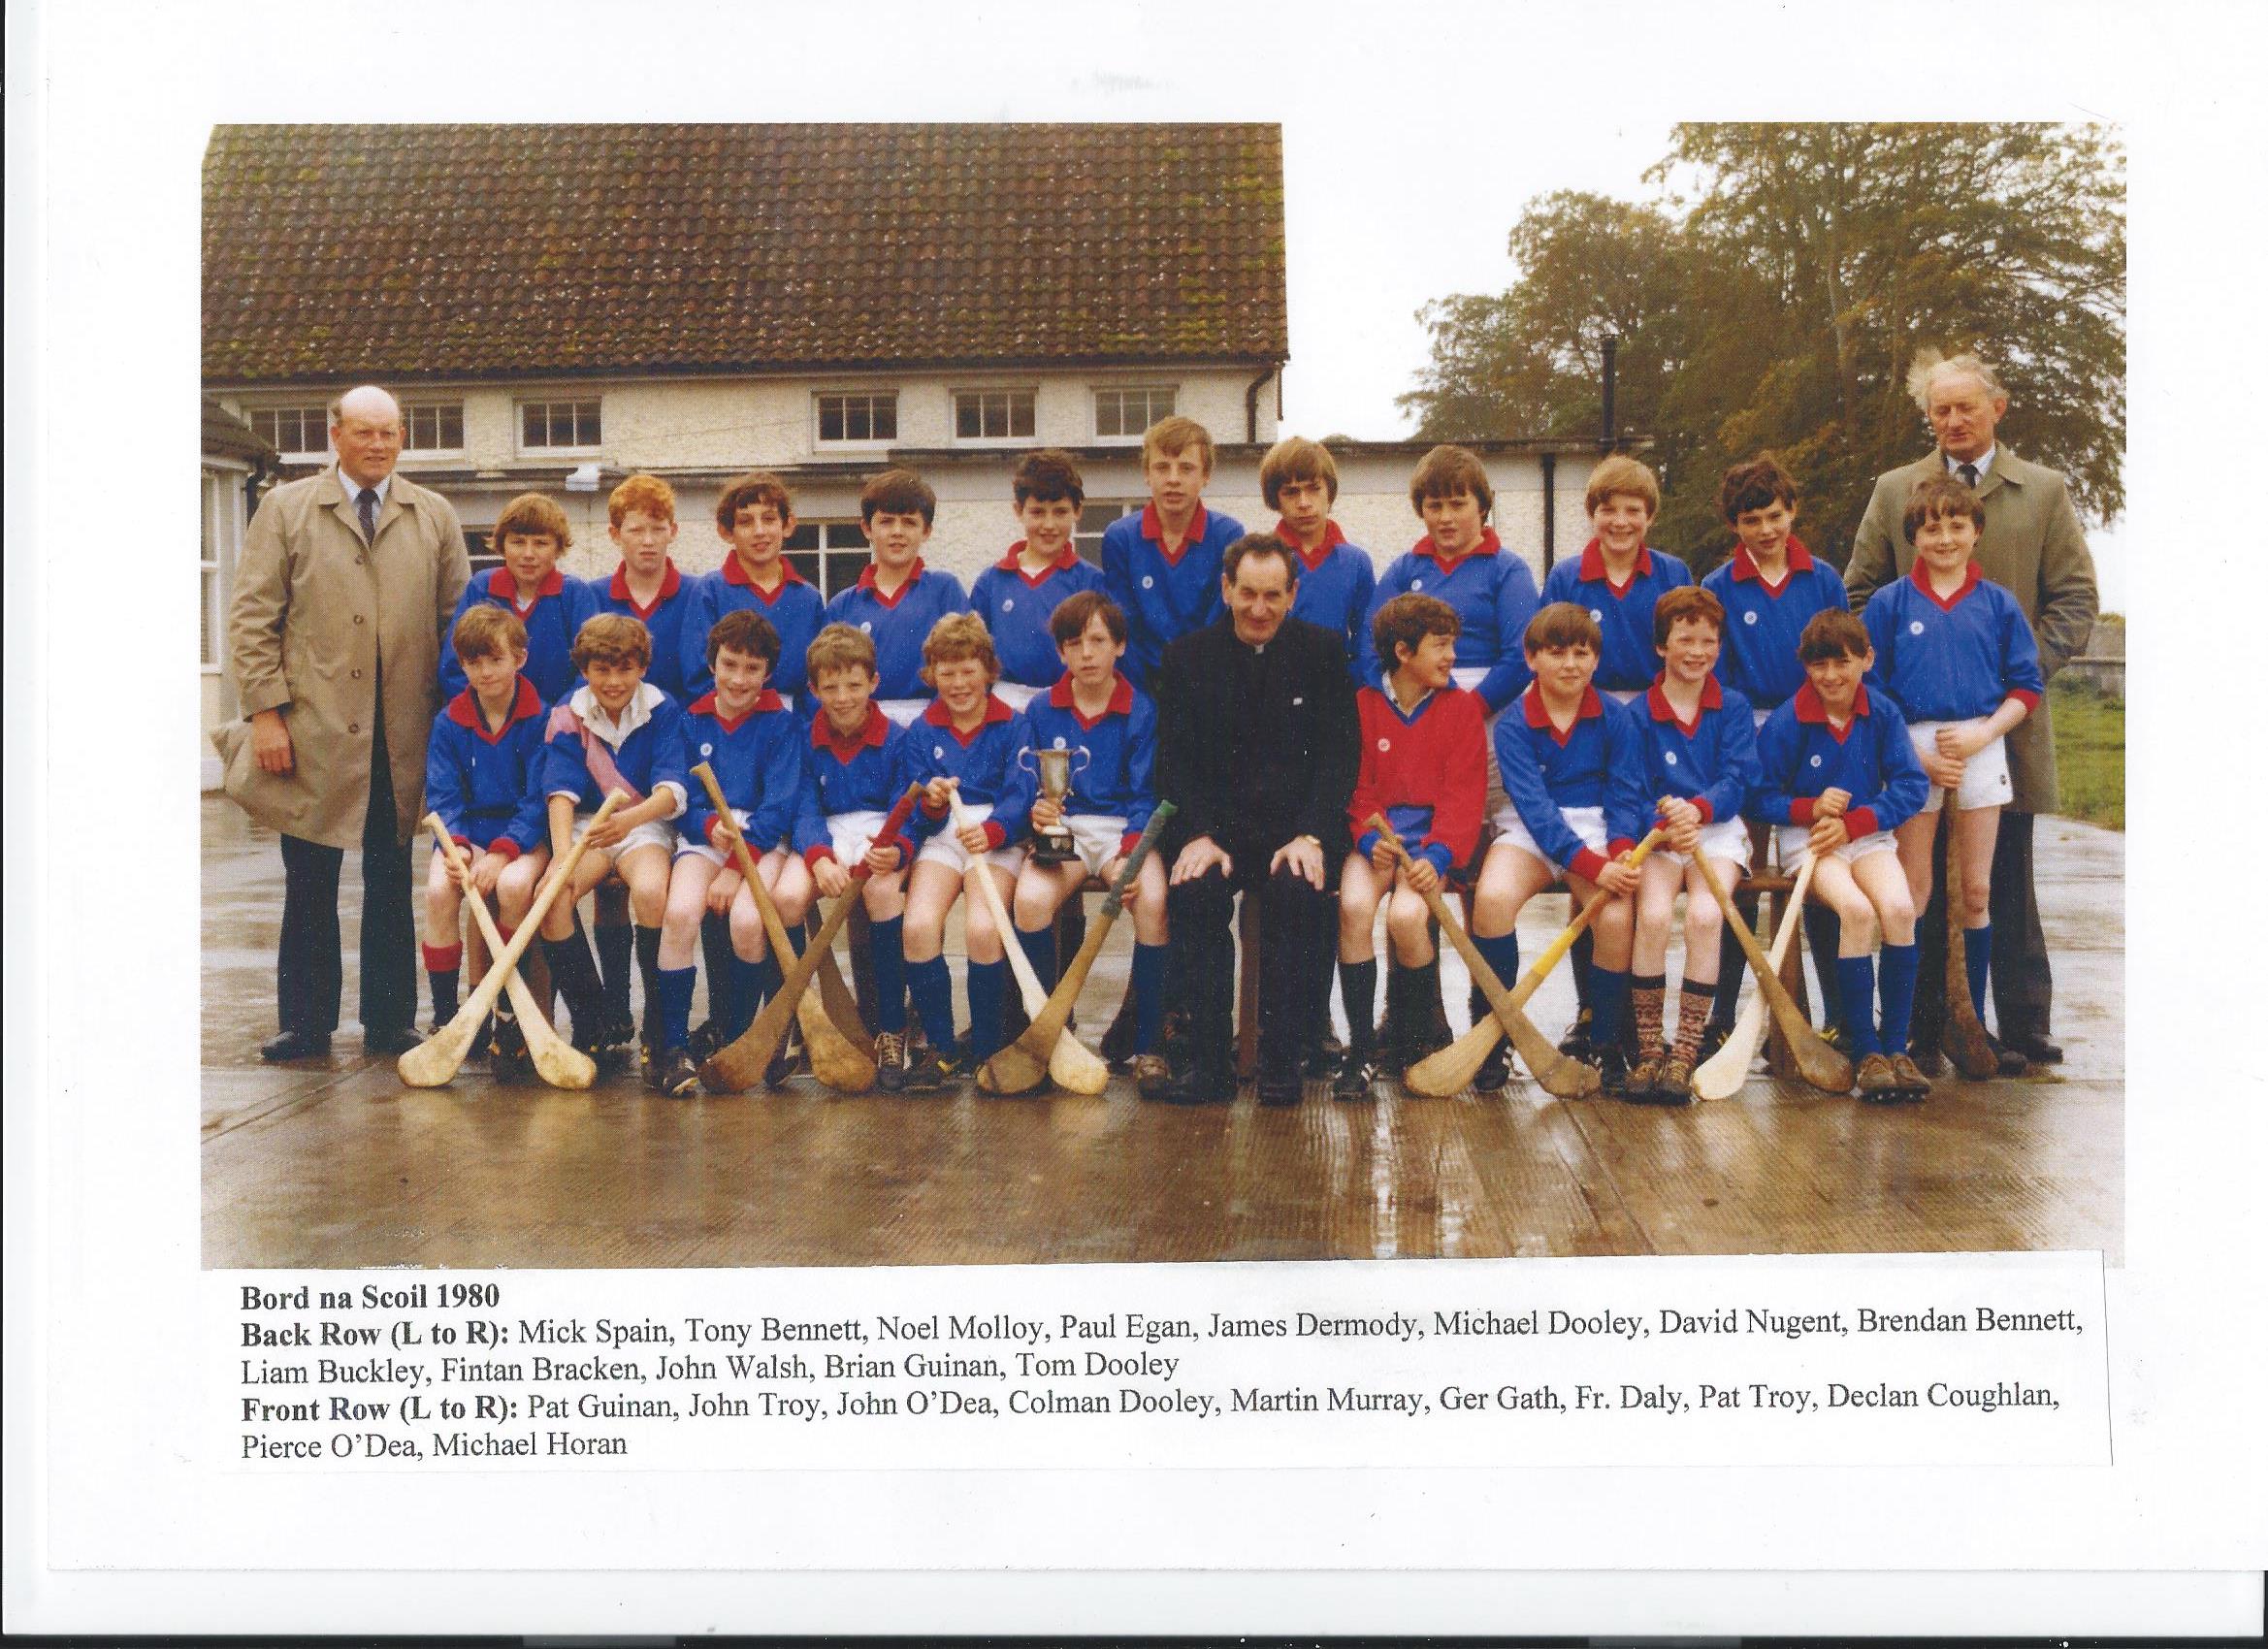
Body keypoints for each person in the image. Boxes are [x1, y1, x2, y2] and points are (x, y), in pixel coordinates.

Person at [1846, 349, 2099, 1066]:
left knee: (2000, 877)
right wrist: (1891, 685)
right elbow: (1859, 592)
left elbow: (2075, 600)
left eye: (1966, 407)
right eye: (1940, 409)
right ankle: (1926, 1025)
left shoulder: (2042, 490)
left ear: (1998, 408)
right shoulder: (1897, 490)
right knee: (1915, 876)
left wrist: (2011, 677)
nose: (1953, 420)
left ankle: (2018, 1022)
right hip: (1913, 724)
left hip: (2003, 724)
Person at [217, 384, 470, 1060]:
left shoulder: (434, 515)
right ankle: (305, 1023)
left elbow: (459, 627)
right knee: (309, 881)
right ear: (336, 436)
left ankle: (390, 1022)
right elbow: (251, 619)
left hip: (402, 732)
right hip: (312, 730)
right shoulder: (285, 509)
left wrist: (457, 728)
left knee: (390, 881)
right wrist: (265, 715)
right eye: (364, 432)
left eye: (389, 432)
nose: (378, 444)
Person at [1153, 534, 1360, 1106]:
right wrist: (1196, 834)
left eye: (1273, 595)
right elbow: (1173, 762)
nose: (1260, 609)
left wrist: (1313, 834)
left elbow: (1340, 757)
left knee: (1300, 892)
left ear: (1293, 594)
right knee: (1193, 890)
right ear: (1226, 589)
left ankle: (1281, 1060)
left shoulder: (1321, 653)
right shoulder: (1187, 657)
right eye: (1248, 594)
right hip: (1215, 829)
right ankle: (1208, 1064)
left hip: (1294, 829)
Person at [1862, 475, 2044, 1075]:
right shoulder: (1889, 603)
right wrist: (1914, 757)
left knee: (1976, 892)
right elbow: (1872, 691)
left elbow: (2026, 687)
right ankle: (1908, 1031)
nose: (1944, 538)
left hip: (1979, 740)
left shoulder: (1997, 603)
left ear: (1976, 532)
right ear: (1913, 537)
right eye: (1931, 528)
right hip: (1912, 746)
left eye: (1956, 526)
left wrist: (1982, 734)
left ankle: (1971, 1025)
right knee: (1913, 894)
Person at [1539, 453, 1693, 1059]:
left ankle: (1646, 1013)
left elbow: (1688, 650)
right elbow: (1554, 650)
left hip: (1656, 712)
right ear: (1593, 514)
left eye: (1633, 510)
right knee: (1598, 863)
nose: (1620, 521)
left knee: (1643, 852)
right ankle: (1594, 1010)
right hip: (1589, 709)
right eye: (1608, 509)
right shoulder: (1569, 575)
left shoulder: (1673, 571)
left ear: (1649, 517)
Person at [1699, 455, 1853, 1051]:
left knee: (1809, 866)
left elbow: (1838, 658)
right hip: (1742, 726)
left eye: (1775, 515)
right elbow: (1718, 670)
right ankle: (1722, 1018)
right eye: (1752, 520)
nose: (1766, 529)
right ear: (1734, 525)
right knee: (1742, 870)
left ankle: (1832, 1011)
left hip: (1811, 724)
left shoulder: (1822, 578)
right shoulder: (1718, 585)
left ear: (1793, 511)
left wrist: (1807, 719)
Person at [1752, 610, 1932, 1102]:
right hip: (1807, 843)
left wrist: (1856, 821)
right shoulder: (1790, 719)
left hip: (1865, 836)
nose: (1831, 676)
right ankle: (1866, 1050)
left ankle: (1897, 1048)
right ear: (1804, 666)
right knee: (1856, 912)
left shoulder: (1883, 713)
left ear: (1867, 660)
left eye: (1843, 663)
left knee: (1898, 910)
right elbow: (1759, 794)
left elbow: (1912, 785)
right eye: (1819, 665)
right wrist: (1808, 808)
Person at [1470, 603, 1650, 1094]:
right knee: (1491, 900)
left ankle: (1606, 1043)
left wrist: (1618, 853)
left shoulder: (1615, 716)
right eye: (1556, 653)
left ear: (1595, 660)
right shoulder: (1513, 724)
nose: (1570, 664)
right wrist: (1592, 864)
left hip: (1597, 827)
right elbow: (1534, 807)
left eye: (1581, 652)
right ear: (1531, 659)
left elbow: (1625, 794)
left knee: (1614, 916)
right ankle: (1493, 1035)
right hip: (1532, 828)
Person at [1006, 592, 1170, 1088]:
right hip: (1067, 829)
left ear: (1119, 646)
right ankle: (1049, 1031)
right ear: (1061, 653)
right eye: (1075, 644)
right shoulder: (1040, 708)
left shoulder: (1140, 709)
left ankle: (1149, 1046)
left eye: (1099, 641)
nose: (1088, 654)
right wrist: (1038, 815)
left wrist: (1131, 857)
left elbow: (1146, 794)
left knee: (1154, 902)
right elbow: (1025, 786)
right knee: (1030, 900)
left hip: (1123, 830)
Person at [652, 611, 812, 1098]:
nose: (739, 679)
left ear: (767, 674)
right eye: (730, 665)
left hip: (761, 842)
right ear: (713, 664)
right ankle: (674, 1048)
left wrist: (736, 868)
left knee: (746, 921)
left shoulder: (782, 726)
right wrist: (706, 826)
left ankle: (741, 1041)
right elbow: (681, 797)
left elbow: (780, 807)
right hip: (708, 838)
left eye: (752, 669)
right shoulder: (689, 720)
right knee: (679, 912)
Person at [1334, 594, 1485, 1100]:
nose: (1451, 657)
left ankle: (1417, 1036)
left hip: (1431, 844)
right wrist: (1367, 837)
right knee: (1355, 906)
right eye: (1440, 646)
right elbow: (1357, 790)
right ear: (1403, 651)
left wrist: (1437, 857)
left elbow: (1463, 797)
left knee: (1405, 918)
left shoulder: (1462, 709)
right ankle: (1358, 1054)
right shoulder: (1363, 706)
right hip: (1378, 838)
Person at [535, 614, 691, 1079]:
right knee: (553, 898)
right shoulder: (569, 711)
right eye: (601, 670)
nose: (614, 681)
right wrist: (563, 855)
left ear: (641, 667)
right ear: (585, 670)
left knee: (650, 893)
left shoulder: (663, 709)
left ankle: (657, 1030)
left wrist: (630, 820)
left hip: (644, 824)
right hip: (589, 827)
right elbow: (560, 790)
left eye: (624, 669)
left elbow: (671, 790)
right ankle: (593, 1019)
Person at [1626, 588, 1759, 1105]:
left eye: (1708, 640)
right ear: (1662, 646)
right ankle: (1647, 1051)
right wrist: (1662, 820)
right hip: (1658, 836)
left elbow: (1738, 777)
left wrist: (1698, 810)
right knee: (1654, 916)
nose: (1698, 650)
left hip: (1717, 832)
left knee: (1707, 916)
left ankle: (1685, 1050)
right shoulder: (1639, 713)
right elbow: (1629, 788)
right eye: (1685, 639)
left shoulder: (1734, 706)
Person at [896, 614, 1033, 1089]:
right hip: (943, 838)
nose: (957, 683)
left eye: (968, 671)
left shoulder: (1013, 725)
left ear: (989, 671)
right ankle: (941, 1046)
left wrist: (996, 830)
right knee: (917, 926)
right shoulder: (921, 730)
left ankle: (989, 1045)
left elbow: (1022, 794)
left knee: (981, 928)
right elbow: (917, 809)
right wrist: (932, 804)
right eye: (946, 673)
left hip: (994, 839)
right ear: (932, 675)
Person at [419, 605, 552, 1077]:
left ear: (519, 658)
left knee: (513, 887)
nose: (484, 672)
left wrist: (502, 851)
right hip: (466, 833)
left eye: (495, 660)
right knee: (439, 892)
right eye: (473, 663)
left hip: (523, 835)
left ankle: (506, 1014)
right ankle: (448, 1017)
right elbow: (443, 795)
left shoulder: (542, 718)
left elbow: (538, 799)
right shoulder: (449, 722)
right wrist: (455, 847)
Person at [793, 625, 921, 1091]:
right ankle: (798, 1023)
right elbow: (804, 805)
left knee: (884, 894)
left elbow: (907, 810)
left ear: (874, 682)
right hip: (828, 833)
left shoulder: (900, 738)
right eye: (830, 688)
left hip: (878, 834)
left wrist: (896, 848)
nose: (842, 697)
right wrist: (820, 858)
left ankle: (891, 1028)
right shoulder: (806, 738)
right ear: (814, 689)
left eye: (853, 685)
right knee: (788, 897)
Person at [1102, 415, 1247, 691]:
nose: (1173, 479)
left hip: (1205, 681)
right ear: (1147, 474)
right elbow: (1122, 625)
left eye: (1186, 468)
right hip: (1141, 684)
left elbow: (1220, 621)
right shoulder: (1120, 538)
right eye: (1162, 468)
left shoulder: (1228, 535)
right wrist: (1142, 695)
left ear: (1205, 476)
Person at [824, 469, 970, 725]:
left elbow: (967, 665)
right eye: (887, 521)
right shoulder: (843, 605)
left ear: (926, 531)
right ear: (867, 528)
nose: (897, 532)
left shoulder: (945, 591)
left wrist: (930, 725)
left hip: (933, 725)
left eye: (909, 522)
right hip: (863, 727)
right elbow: (827, 678)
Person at [967, 448, 1107, 711]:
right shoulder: (991, 582)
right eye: (1038, 512)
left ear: (1078, 511)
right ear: (1018, 510)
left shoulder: (1091, 581)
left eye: (1060, 511)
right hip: (1005, 706)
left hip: (1070, 703)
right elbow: (975, 656)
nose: (1049, 524)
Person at [682, 470, 826, 707]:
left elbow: (819, 677)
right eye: (746, 522)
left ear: (788, 525)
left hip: (794, 729)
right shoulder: (710, 591)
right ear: (727, 532)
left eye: (769, 519)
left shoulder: (808, 598)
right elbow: (698, 678)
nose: (759, 531)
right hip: (728, 723)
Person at [438, 492, 599, 702]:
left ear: (558, 548)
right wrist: (492, 714)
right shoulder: (481, 588)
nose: (528, 553)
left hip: (556, 723)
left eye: (541, 543)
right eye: (518, 542)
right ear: (502, 545)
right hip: (490, 722)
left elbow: (592, 670)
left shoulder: (575, 594)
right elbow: (453, 666)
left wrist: (558, 717)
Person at [1262, 436, 1375, 675]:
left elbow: (1367, 638)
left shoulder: (1356, 563)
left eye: (1314, 489)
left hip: (1336, 691)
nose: (1304, 503)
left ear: (1330, 492)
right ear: (1275, 498)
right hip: (1272, 687)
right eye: (1291, 492)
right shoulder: (1260, 559)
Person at [591, 474, 697, 702]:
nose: (648, 541)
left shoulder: (698, 594)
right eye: (636, 530)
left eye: (658, 529)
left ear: (673, 532)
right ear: (615, 535)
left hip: (679, 728)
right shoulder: (593, 596)